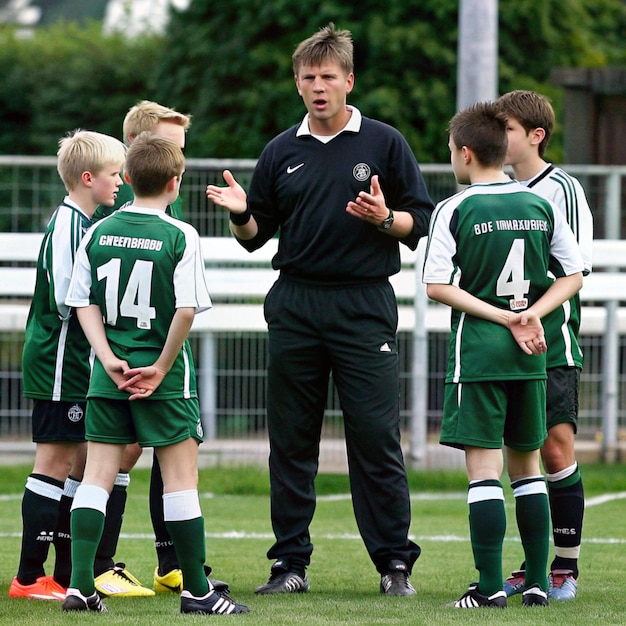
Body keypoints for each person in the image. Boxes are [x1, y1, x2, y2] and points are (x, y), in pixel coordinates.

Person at [206, 23, 432, 596]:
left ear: (349, 80)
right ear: (298, 83)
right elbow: (256, 236)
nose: (317, 86)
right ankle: (289, 566)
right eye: (308, 77)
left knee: (375, 437)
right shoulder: (281, 150)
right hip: (296, 305)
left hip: (363, 305)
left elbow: (419, 223)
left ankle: (393, 565)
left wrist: (385, 217)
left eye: (328, 76)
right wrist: (239, 212)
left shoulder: (384, 142)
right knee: (291, 440)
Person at [61, 132, 248, 615]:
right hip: (163, 381)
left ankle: (80, 586)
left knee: (96, 478)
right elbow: (185, 310)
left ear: (124, 179)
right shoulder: (179, 234)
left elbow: (80, 301)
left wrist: (105, 358)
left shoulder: (97, 231)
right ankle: (198, 592)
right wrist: (162, 367)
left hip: (109, 378)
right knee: (181, 482)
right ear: (175, 182)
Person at [422, 102, 584, 608]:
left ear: (465, 153)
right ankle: (537, 580)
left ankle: (490, 587)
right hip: (532, 354)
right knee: (529, 468)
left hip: (481, 353)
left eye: (452, 152)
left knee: (483, 471)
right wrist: (531, 313)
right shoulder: (541, 205)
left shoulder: (455, 208)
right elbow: (574, 275)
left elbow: (436, 287)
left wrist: (503, 317)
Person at [92, 100, 228, 597]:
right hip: (126, 363)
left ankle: (168, 564)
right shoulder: (111, 220)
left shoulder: (146, 220)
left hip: (122, 361)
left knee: (149, 457)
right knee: (116, 458)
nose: (182, 160)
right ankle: (95, 564)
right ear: (139, 153)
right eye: (173, 149)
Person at [9, 130, 146, 601]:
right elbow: (74, 301)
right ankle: (29, 577)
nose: (120, 182)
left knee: (80, 461)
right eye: (113, 174)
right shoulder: (69, 226)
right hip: (58, 363)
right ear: (88, 178)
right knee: (55, 460)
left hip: (72, 363)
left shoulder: (82, 222)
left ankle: (66, 574)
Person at [496, 90, 593, 600]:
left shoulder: (563, 189)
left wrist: (533, 311)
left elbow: (574, 272)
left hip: (550, 342)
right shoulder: (494, 189)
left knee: (556, 450)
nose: (499, 138)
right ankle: (532, 567)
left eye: (507, 128)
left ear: (535, 135)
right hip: (504, 341)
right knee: (519, 455)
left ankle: (564, 568)